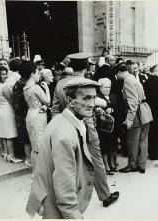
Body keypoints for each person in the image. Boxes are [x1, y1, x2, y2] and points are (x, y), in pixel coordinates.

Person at [51, 52, 119, 208]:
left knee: (69, 163)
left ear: (70, 66)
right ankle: (105, 195)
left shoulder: (60, 84)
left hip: (67, 127)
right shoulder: (87, 82)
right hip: (87, 127)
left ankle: (68, 199)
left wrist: (60, 125)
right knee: (96, 160)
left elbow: (54, 109)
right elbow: (97, 103)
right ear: (87, 67)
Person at [26, 78, 100, 219]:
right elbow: (64, 187)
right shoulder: (65, 135)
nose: (92, 104)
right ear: (70, 101)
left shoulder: (60, 119)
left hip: (50, 198)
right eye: (86, 98)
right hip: (56, 205)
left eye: (94, 98)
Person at [116, 62, 152, 174]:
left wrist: (129, 119)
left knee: (132, 141)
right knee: (143, 140)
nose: (117, 76)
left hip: (136, 113)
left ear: (120, 72)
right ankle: (142, 165)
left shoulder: (127, 80)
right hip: (145, 110)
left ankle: (132, 165)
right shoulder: (133, 78)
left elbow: (132, 101)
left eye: (117, 73)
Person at [23, 62, 51, 169]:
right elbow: (47, 102)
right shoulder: (35, 87)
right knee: (40, 146)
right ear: (32, 73)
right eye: (37, 72)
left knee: (34, 146)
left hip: (30, 113)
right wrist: (47, 89)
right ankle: (41, 172)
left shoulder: (25, 87)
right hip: (38, 116)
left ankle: (35, 172)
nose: (39, 75)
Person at [0, 66, 22, 163]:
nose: (6, 76)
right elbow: (12, 101)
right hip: (7, 111)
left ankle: (6, 154)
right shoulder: (4, 87)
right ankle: (12, 156)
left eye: (6, 74)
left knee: (4, 134)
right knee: (10, 135)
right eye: (3, 74)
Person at [96, 78, 119, 174]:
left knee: (113, 144)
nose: (108, 89)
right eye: (105, 87)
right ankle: (106, 165)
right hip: (103, 126)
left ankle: (113, 163)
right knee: (104, 145)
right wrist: (102, 110)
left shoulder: (113, 96)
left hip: (113, 125)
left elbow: (118, 107)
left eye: (109, 87)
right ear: (100, 88)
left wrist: (112, 109)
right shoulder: (97, 97)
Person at [12, 62, 32, 167]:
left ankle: (28, 157)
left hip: (20, 112)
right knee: (27, 136)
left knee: (25, 136)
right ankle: (29, 158)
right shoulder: (25, 83)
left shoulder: (18, 82)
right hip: (25, 112)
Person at [143, 63, 158, 160]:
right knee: (155, 134)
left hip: (148, 110)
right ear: (155, 71)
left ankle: (151, 153)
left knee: (150, 133)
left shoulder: (147, 82)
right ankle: (155, 155)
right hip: (157, 111)